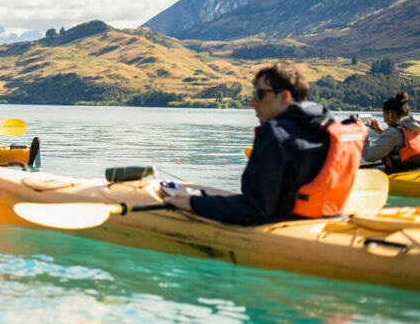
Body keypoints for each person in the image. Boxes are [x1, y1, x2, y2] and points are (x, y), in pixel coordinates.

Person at [164, 61, 367, 225]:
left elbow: (255, 209)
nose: (253, 102)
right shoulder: (323, 125)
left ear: (285, 97)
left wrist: (192, 202)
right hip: (323, 221)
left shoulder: (275, 133)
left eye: (259, 94)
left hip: (285, 225)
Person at [362, 92, 420, 171]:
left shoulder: (393, 133)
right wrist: (379, 130)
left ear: (390, 114)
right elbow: (401, 142)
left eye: (384, 115)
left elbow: (368, 156)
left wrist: (363, 134)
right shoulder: (413, 127)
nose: (384, 120)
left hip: (401, 175)